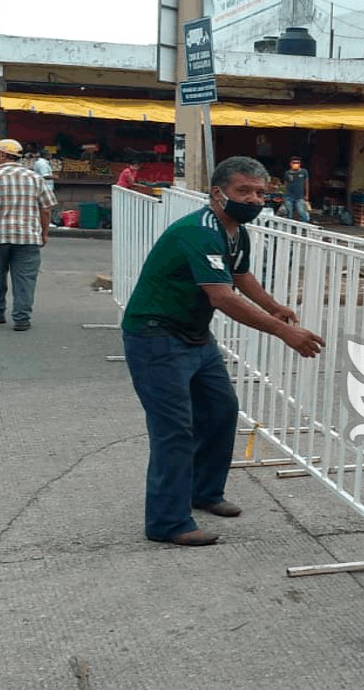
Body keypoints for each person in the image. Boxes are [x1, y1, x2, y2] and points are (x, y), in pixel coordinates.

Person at [122, 156, 324, 546]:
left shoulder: (233, 230)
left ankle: (204, 491)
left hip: (194, 336)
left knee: (220, 410)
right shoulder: (198, 231)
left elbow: (239, 274)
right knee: (174, 430)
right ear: (218, 193)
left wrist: (273, 306)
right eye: (243, 191)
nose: (253, 199)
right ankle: (167, 522)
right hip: (156, 337)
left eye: (261, 193)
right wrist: (284, 331)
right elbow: (222, 297)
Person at [0, 138, 57, 332]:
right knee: (25, 277)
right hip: (28, 237)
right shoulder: (34, 178)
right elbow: (46, 209)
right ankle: (21, 317)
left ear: (3, 154)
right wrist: (44, 233)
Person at [282, 156, 311, 222]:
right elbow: (285, 184)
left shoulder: (304, 172)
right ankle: (289, 227)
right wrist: (284, 195)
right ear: (290, 164)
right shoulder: (287, 173)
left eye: (297, 163)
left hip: (300, 196)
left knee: (301, 211)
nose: (296, 164)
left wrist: (306, 195)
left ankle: (305, 225)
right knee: (289, 213)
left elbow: (306, 183)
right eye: (294, 163)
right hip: (289, 196)